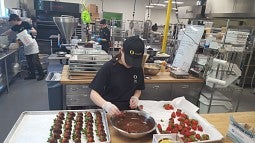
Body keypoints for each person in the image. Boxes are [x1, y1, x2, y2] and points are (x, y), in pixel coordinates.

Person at [89, 36, 145, 116]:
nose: (131, 65)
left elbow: (138, 88)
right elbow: (93, 94)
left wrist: (135, 97)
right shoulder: (109, 67)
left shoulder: (137, 68)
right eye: (129, 61)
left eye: (134, 62)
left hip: (129, 113)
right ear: (121, 50)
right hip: (110, 112)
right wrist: (106, 105)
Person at [1, 14, 45, 81]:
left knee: (35, 61)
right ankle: (32, 75)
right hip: (26, 45)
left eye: (12, 22)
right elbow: (8, 32)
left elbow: (35, 31)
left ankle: (41, 74)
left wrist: (28, 31)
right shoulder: (15, 26)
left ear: (15, 20)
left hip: (32, 45)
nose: (12, 23)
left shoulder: (25, 23)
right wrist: (1, 35)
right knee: (29, 61)